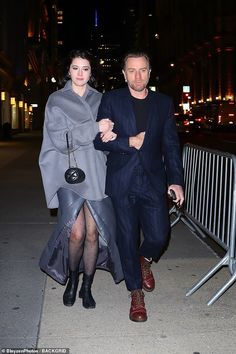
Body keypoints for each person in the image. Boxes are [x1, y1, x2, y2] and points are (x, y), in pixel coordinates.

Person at [94, 50, 184, 322]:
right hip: (122, 180)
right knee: (126, 238)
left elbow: (170, 145)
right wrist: (128, 142)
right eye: (131, 70)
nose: (137, 75)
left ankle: (145, 260)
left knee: (159, 235)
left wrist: (176, 180)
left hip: (153, 180)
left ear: (149, 71)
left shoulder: (163, 103)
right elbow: (99, 141)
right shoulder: (111, 100)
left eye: (142, 69)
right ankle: (135, 293)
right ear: (123, 73)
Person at [38, 49, 123, 309]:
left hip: (96, 172)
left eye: (85, 69)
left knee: (93, 234)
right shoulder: (56, 100)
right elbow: (61, 139)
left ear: (91, 72)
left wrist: (111, 136)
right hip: (70, 174)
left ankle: (87, 285)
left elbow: (110, 132)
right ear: (68, 70)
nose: (80, 74)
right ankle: (72, 279)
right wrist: (95, 128)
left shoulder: (102, 99)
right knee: (75, 233)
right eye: (76, 68)